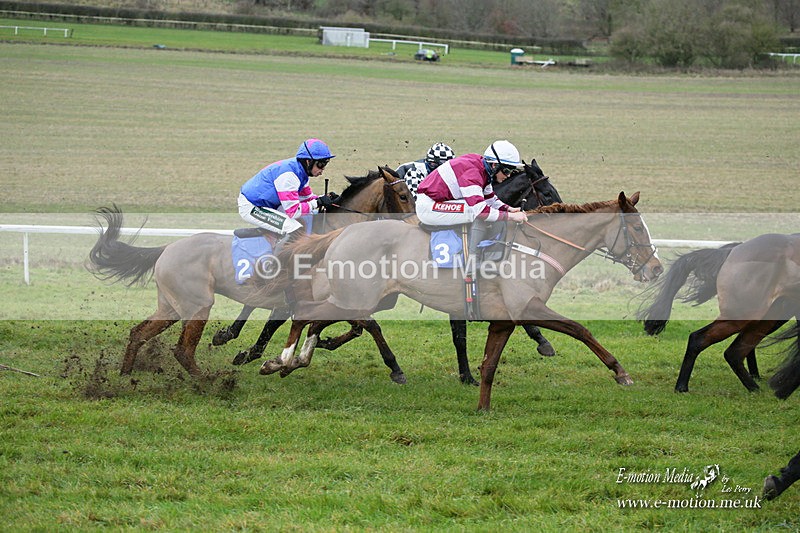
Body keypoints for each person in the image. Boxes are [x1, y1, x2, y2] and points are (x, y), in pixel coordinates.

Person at [415, 139, 528, 265]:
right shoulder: (473, 174)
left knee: (479, 209)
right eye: (506, 171)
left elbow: (490, 198)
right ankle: (473, 261)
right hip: (428, 206)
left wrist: (509, 209)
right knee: (473, 211)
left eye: (511, 172)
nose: (508, 176)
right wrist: (512, 217)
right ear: (494, 165)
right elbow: (481, 211)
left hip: (437, 202)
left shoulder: (483, 167)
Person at [239, 138, 338, 240]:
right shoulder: (289, 176)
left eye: (325, 164)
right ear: (309, 161)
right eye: (320, 164)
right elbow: (293, 212)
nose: (322, 170)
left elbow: (307, 199)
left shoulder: (301, 172)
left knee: (307, 217)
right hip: (252, 207)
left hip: (270, 205)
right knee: (295, 229)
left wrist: (326, 198)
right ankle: (280, 256)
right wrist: (318, 203)